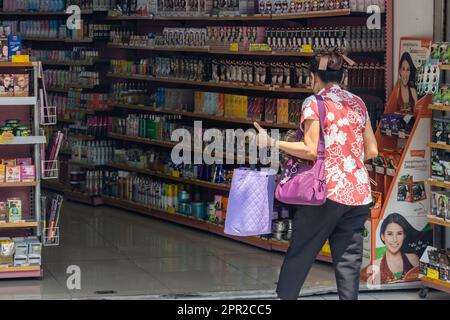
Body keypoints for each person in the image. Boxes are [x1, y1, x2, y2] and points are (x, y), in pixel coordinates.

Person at [254, 49, 378, 300]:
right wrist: (348, 162)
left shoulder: (314, 103)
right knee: (348, 262)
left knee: (300, 252)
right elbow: (372, 149)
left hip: (324, 192)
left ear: (313, 76)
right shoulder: (358, 102)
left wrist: (271, 142)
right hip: (358, 195)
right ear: (341, 76)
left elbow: (310, 150)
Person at [368, 213, 420, 284]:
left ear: (404, 236)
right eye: (390, 234)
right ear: (383, 236)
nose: (395, 239)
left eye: (399, 233)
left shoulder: (413, 259)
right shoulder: (376, 264)